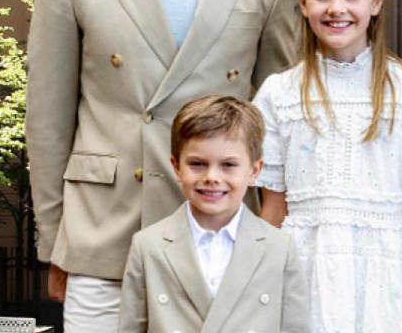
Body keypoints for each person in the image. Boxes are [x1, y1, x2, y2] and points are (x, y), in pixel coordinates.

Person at [25, 0, 300, 331]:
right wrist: (55, 239)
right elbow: (47, 119)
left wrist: (270, 236)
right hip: (104, 233)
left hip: (217, 234)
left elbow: (279, 123)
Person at [254, 0, 402, 332]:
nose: (336, 8)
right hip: (303, 282)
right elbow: (272, 211)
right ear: (302, 2)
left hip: (384, 288)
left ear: (377, 1)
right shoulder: (280, 94)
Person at [117, 95, 309, 333]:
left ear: (254, 170)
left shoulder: (280, 247)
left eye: (228, 165)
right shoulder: (148, 245)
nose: (212, 177)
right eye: (197, 164)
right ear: (176, 167)